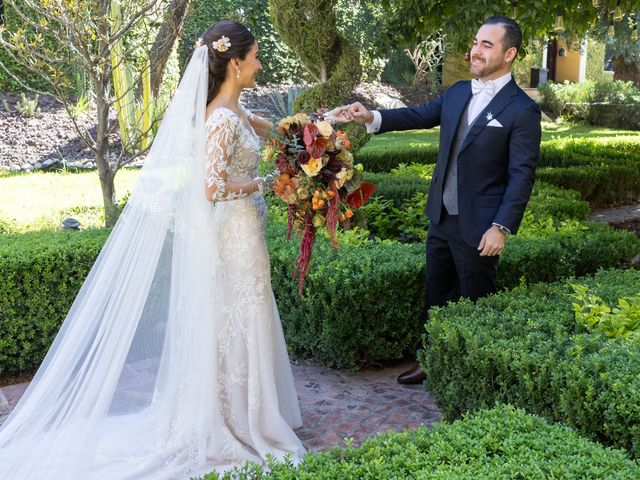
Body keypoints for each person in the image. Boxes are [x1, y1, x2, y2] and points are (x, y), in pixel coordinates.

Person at [0, 21, 305, 479]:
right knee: (236, 318)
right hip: (233, 235)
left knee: (242, 317)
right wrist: (268, 184)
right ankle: (236, 419)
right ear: (236, 64)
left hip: (245, 232)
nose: (261, 63)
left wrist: (317, 139)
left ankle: (250, 409)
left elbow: (277, 130)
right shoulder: (221, 119)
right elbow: (211, 187)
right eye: (257, 56)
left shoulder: (237, 111)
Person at [343, 16, 541, 384]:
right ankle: (431, 360)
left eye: (487, 45)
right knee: (436, 293)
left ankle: (475, 376)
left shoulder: (521, 110)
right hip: (441, 215)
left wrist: (501, 227)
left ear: (509, 54)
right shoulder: (458, 92)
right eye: (476, 42)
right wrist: (371, 116)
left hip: (481, 225)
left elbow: (521, 175)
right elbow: (418, 115)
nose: (475, 51)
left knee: (476, 300)